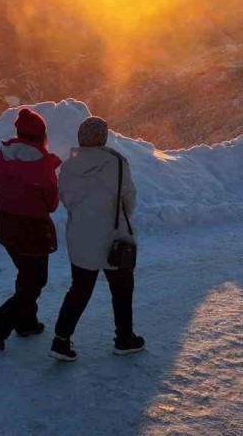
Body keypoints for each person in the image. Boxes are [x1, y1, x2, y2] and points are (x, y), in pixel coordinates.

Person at [49, 116, 146, 362]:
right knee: (122, 290)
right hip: (114, 236)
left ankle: (61, 341)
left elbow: (66, 199)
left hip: (80, 235)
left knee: (79, 289)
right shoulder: (117, 162)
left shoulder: (69, 166)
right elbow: (128, 201)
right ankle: (124, 339)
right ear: (103, 138)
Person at [0, 108, 62, 350]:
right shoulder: (43, 166)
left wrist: (3, 205)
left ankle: (27, 324)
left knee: (26, 276)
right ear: (41, 135)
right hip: (34, 230)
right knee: (35, 281)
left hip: (5, 226)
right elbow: (53, 205)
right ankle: (1, 323)